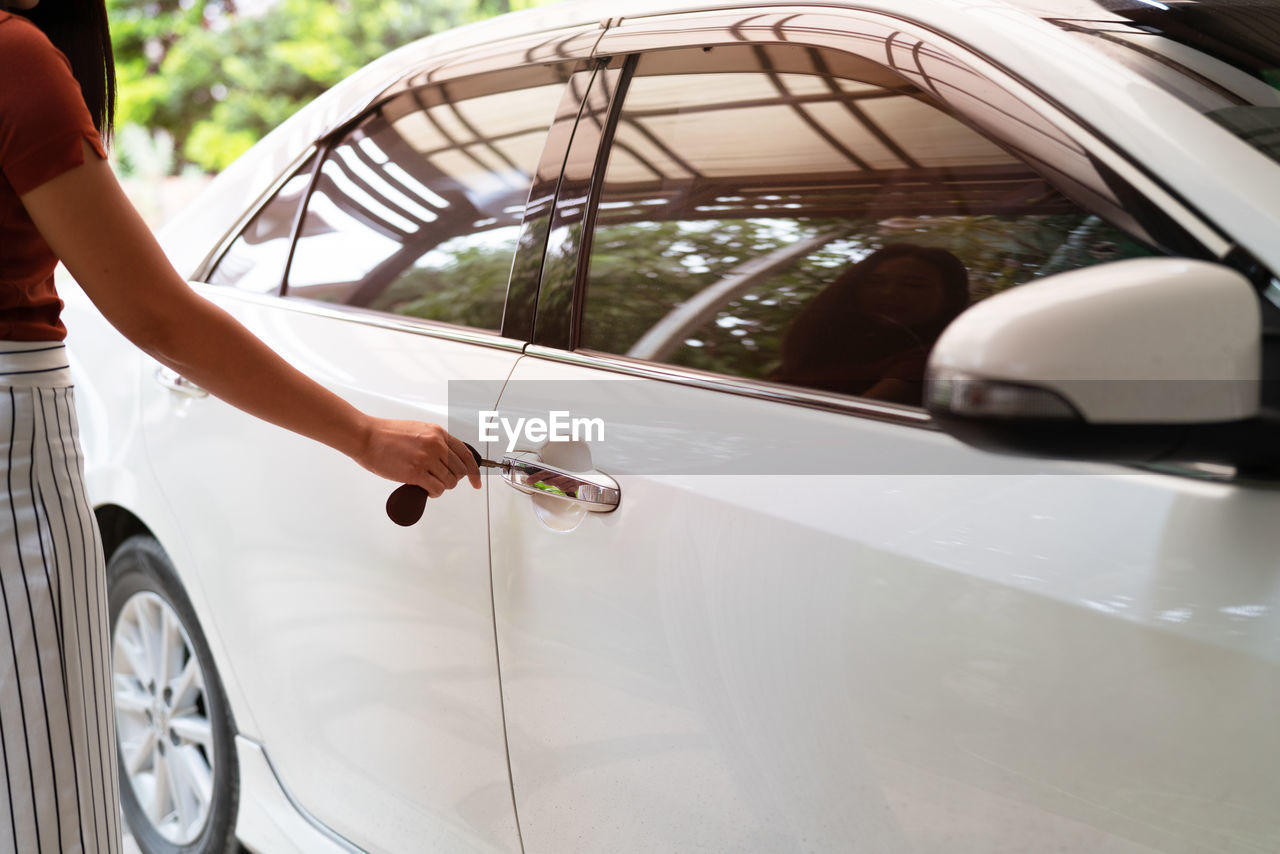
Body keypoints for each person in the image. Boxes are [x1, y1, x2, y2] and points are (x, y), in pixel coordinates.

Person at [0, 1, 480, 851]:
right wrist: (363, 434)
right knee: (44, 804)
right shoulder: (15, 60)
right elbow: (158, 318)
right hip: (12, 444)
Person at [772, 243, 970, 405]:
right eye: (875, 282)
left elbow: (856, 416)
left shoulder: (932, 359)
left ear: (950, 297)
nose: (888, 293)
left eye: (913, 285)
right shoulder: (828, 342)